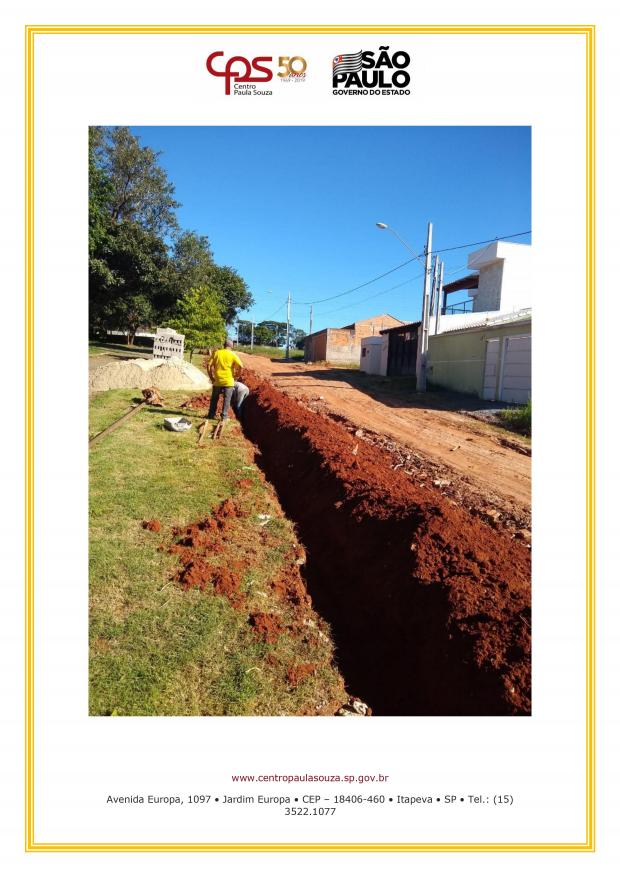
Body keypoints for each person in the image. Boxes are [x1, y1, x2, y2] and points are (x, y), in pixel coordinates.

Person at [206, 339, 244, 420]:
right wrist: (237, 376)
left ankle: (211, 415)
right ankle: (224, 416)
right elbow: (241, 366)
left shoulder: (217, 353)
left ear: (223, 345)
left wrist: (211, 377)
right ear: (232, 346)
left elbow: (208, 366)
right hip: (228, 381)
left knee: (214, 399)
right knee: (227, 399)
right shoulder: (233, 354)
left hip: (217, 381)